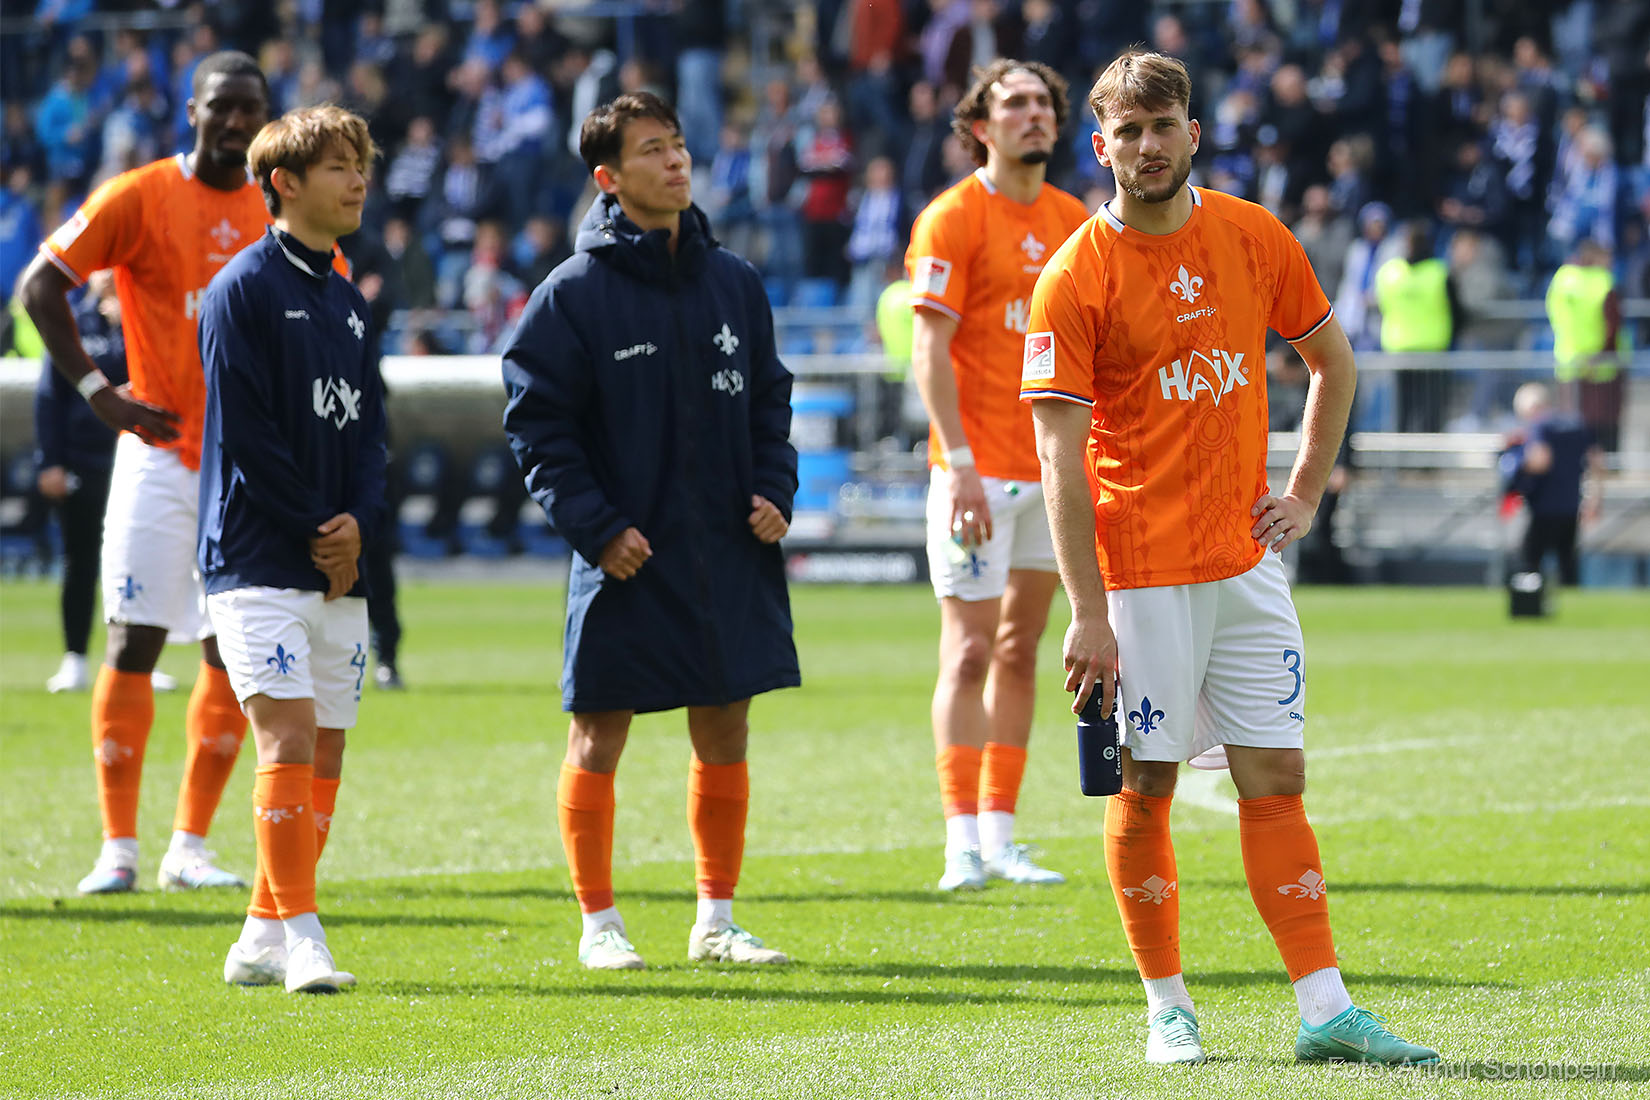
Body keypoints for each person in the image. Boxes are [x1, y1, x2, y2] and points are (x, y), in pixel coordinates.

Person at [1024, 50, 1438, 1067]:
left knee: (1277, 776)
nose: (1147, 146)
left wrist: (1303, 494)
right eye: (1127, 131)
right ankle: (1167, 1007)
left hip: (1246, 563)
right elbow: (1058, 462)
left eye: (1163, 125)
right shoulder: (1075, 274)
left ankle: (1325, 1007)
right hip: (1141, 575)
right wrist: (1087, 612)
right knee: (1145, 786)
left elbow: (1332, 360)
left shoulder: (1254, 235)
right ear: (1101, 145)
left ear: (1193, 133)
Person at [501, 93, 799, 972]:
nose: (675, 162)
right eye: (652, 150)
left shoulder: (734, 282)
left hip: (728, 550)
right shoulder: (571, 294)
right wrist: (597, 529)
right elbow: (536, 427)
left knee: (727, 729)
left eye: (679, 145)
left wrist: (775, 488)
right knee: (597, 736)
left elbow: (770, 403)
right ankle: (599, 925)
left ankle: (717, 921)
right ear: (609, 177)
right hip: (622, 559)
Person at [18, 51, 275, 895]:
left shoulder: (279, 206)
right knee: (132, 639)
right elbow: (40, 287)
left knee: (229, 653)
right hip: (158, 455)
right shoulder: (138, 195)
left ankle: (189, 847)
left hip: (246, 468)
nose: (235, 121)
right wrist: (98, 391)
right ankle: (118, 848)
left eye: (250, 108)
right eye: (221, 106)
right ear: (191, 110)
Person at [196, 104, 385, 993]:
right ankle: (306, 939)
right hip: (258, 558)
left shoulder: (349, 300)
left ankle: (261, 934)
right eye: (340, 166)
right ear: (285, 183)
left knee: (328, 750)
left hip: (339, 562)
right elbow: (248, 436)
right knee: (289, 737)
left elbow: (371, 435)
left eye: (361, 165)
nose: (358, 181)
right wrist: (319, 526)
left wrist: (358, 524)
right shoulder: (239, 289)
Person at [905, 59, 1090, 892]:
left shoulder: (1073, 219)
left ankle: (1002, 834)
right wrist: (959, 464)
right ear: (981, 127)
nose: (1034, 114)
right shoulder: (951, 217)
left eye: (1044, 102)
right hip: (975, 473)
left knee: (1021, 650)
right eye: (1015, 103)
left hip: (1051, 473)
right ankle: (959, 843)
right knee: (970, 651)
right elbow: (929, 350)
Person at [33, 272, 182, 694]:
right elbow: (50, 396)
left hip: (142, 458)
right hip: (85, 461)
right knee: (79, 561)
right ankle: (75, 658)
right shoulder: (72, 321)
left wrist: (126, 324)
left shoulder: (148, 318)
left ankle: (143, 661)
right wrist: (51, 461)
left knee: (145, 563)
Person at [1500, 382, 1602, 585]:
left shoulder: (1540, 426)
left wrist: (1514, 461)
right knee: (1567, 563)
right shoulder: (1576, 424)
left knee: (1529, 564)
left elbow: (1541, 460)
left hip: (1544, 506)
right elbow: (1597, 462)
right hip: (1571, 507)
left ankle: (1532, 600)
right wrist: (1595, 499)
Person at [1545, 240, 1623, 453]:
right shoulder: (1603, 281)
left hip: (1568, 360)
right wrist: (1599, 354)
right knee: (1602, 424)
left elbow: (1554, 314)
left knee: (1571, 421)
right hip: (1601, 364)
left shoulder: (1562, 278)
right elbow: (1613, 324)